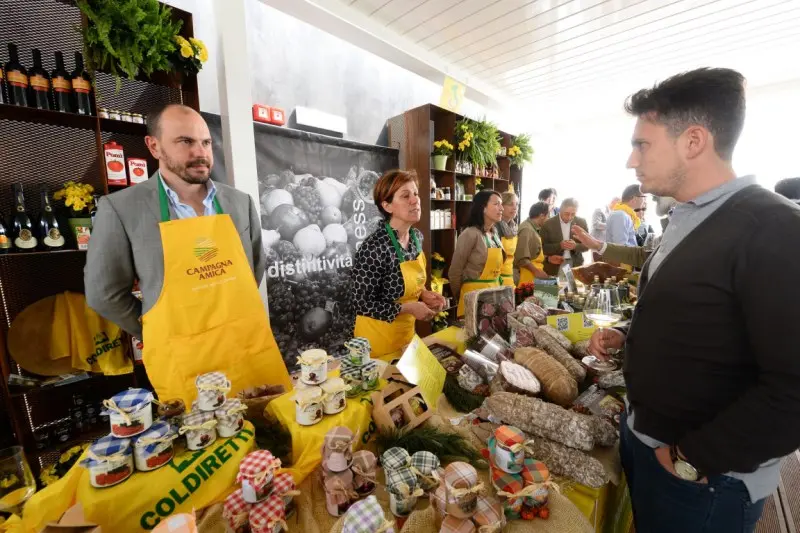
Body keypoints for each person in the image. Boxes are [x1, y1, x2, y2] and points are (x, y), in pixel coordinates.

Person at [588, 67, 800, 533]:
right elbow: (703, 321)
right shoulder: (687, 218)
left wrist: (689, 457)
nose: (630, 160)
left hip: (705, 480)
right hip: (649, 446)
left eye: (642, 144)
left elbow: (792, 386)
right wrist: (627, 336)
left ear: (694, 141)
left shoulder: (774, 228)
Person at [85, 104, 291, 403]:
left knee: (272, 432)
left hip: (248, 347)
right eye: (185, 141)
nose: (200, 152)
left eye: (205, 142)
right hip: (186, 362)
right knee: (206, 442)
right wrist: (157, 328)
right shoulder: (121, 209)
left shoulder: (239, 203)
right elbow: (104, 293)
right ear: (154, 146)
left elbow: (253, 267)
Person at [351, 170, 446, 360]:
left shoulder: (416, 238)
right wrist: (409, 308)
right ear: (387, 206)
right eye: (405, 196)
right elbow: (361, 304)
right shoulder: (374, 247)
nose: (415, 200)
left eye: (416, 193)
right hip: (376, 344)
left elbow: (406, 285)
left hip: (406, 338)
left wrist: (424, 294)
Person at [450, 190, 504, 317]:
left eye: (501, 204)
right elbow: (454, 272)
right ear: (483, 208)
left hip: (493, 295)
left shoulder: (494, 234)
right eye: (496, 204)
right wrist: (463, 295)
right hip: (474, 298)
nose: (501, 208)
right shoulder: (470, 234)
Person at [539, 198, 589, 275]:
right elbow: (541, 248)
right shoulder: (548, 224)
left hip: (575, 264)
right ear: (560, 210)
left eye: (573, 214)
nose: (570, 217)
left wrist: (575, 246)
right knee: (556, 287)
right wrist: (559, 246)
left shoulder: (581, 222)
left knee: (575, 287)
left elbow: (587, 246)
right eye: (566, 214)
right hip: (554, 265)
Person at [514, 201, 552, 285]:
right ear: (542, 216)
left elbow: (533, 253)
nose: (548, 219)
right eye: (548, 216)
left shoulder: (532, 228)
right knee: (547, 297)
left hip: (535, 273)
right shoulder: (527, 229)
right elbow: (522, 258)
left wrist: (548, 259)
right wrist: (536, 271)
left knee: (549, 296)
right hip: (528, 275)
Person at [496, 192, 519, 287]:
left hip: (509, 276)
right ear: (501, 206)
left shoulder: (514, 227)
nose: (514, 208)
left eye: (516, 204)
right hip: (497, 278)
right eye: (510, 204)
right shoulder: (495, 227)